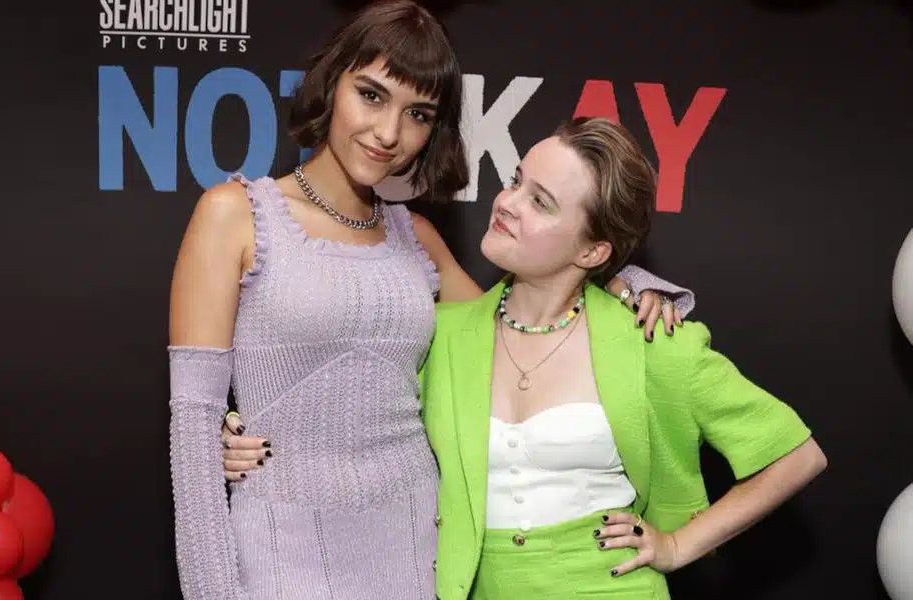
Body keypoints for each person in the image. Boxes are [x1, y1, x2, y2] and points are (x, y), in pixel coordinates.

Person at [171, 2, 693, 600]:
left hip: (415, 544)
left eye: (417, 113)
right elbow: (192, 422)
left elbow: (522, 331)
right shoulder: (236, 215)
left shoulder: (415, 238)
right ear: (333, 83)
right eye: (371, 95)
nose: (388, 133)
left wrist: (625, 282)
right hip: (279, 543)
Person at [223, 117, 826, 599]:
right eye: (515, 182)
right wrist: (244, 435)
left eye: (541, 202)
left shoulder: (651, 341)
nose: (507, 203)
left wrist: (676, 546)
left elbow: (797, 456)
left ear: (593, 250)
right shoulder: (444, 334)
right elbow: (353, 412)